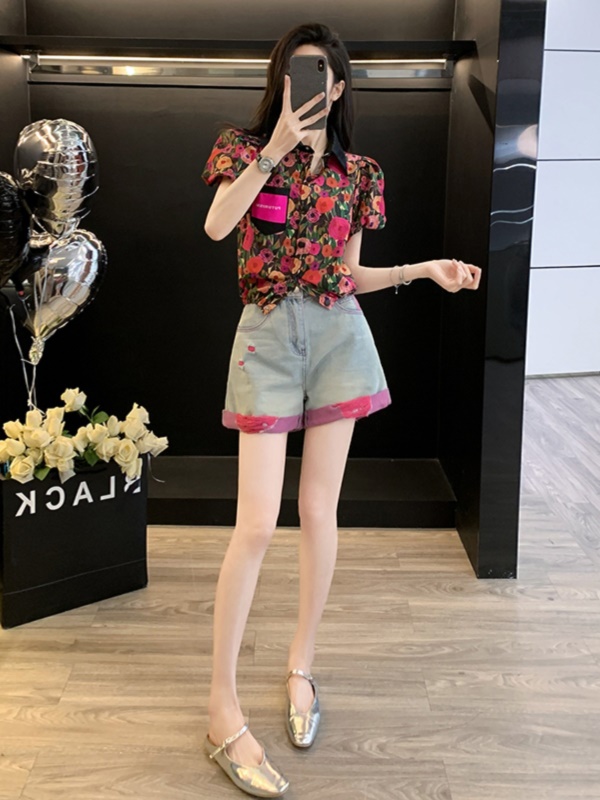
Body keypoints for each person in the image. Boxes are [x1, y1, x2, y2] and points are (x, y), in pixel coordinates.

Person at [200, 21, 481, 798]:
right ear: (279, 82)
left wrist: (424, 269)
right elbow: (217, 226)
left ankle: (302, 666)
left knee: (319, 511)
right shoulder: (240, 149)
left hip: (338, 337)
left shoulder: (359, 174)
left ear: (339, 86)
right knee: (257, 523)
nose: (307, 84)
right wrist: (273, 150)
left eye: (319, 73)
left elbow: (347, 276)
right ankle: (220, 707)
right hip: (265, 336)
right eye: (294, 72)